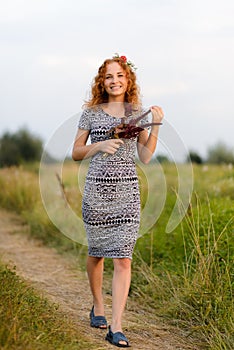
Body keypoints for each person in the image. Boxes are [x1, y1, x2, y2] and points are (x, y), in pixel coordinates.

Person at [72, 54, 164, 348]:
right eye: (109, 76)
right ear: (103, 81)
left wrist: (157, 125)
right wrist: (99, 145)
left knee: (123, 257)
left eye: (120, 76)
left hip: (128, 194)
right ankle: (98, 305)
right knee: (98, 253)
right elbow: (76, 152)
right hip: (98, 193)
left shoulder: (135, 113)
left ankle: (117, 326)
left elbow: (146, 157)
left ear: (128, 80)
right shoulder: (91, 114)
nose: (114, 81)